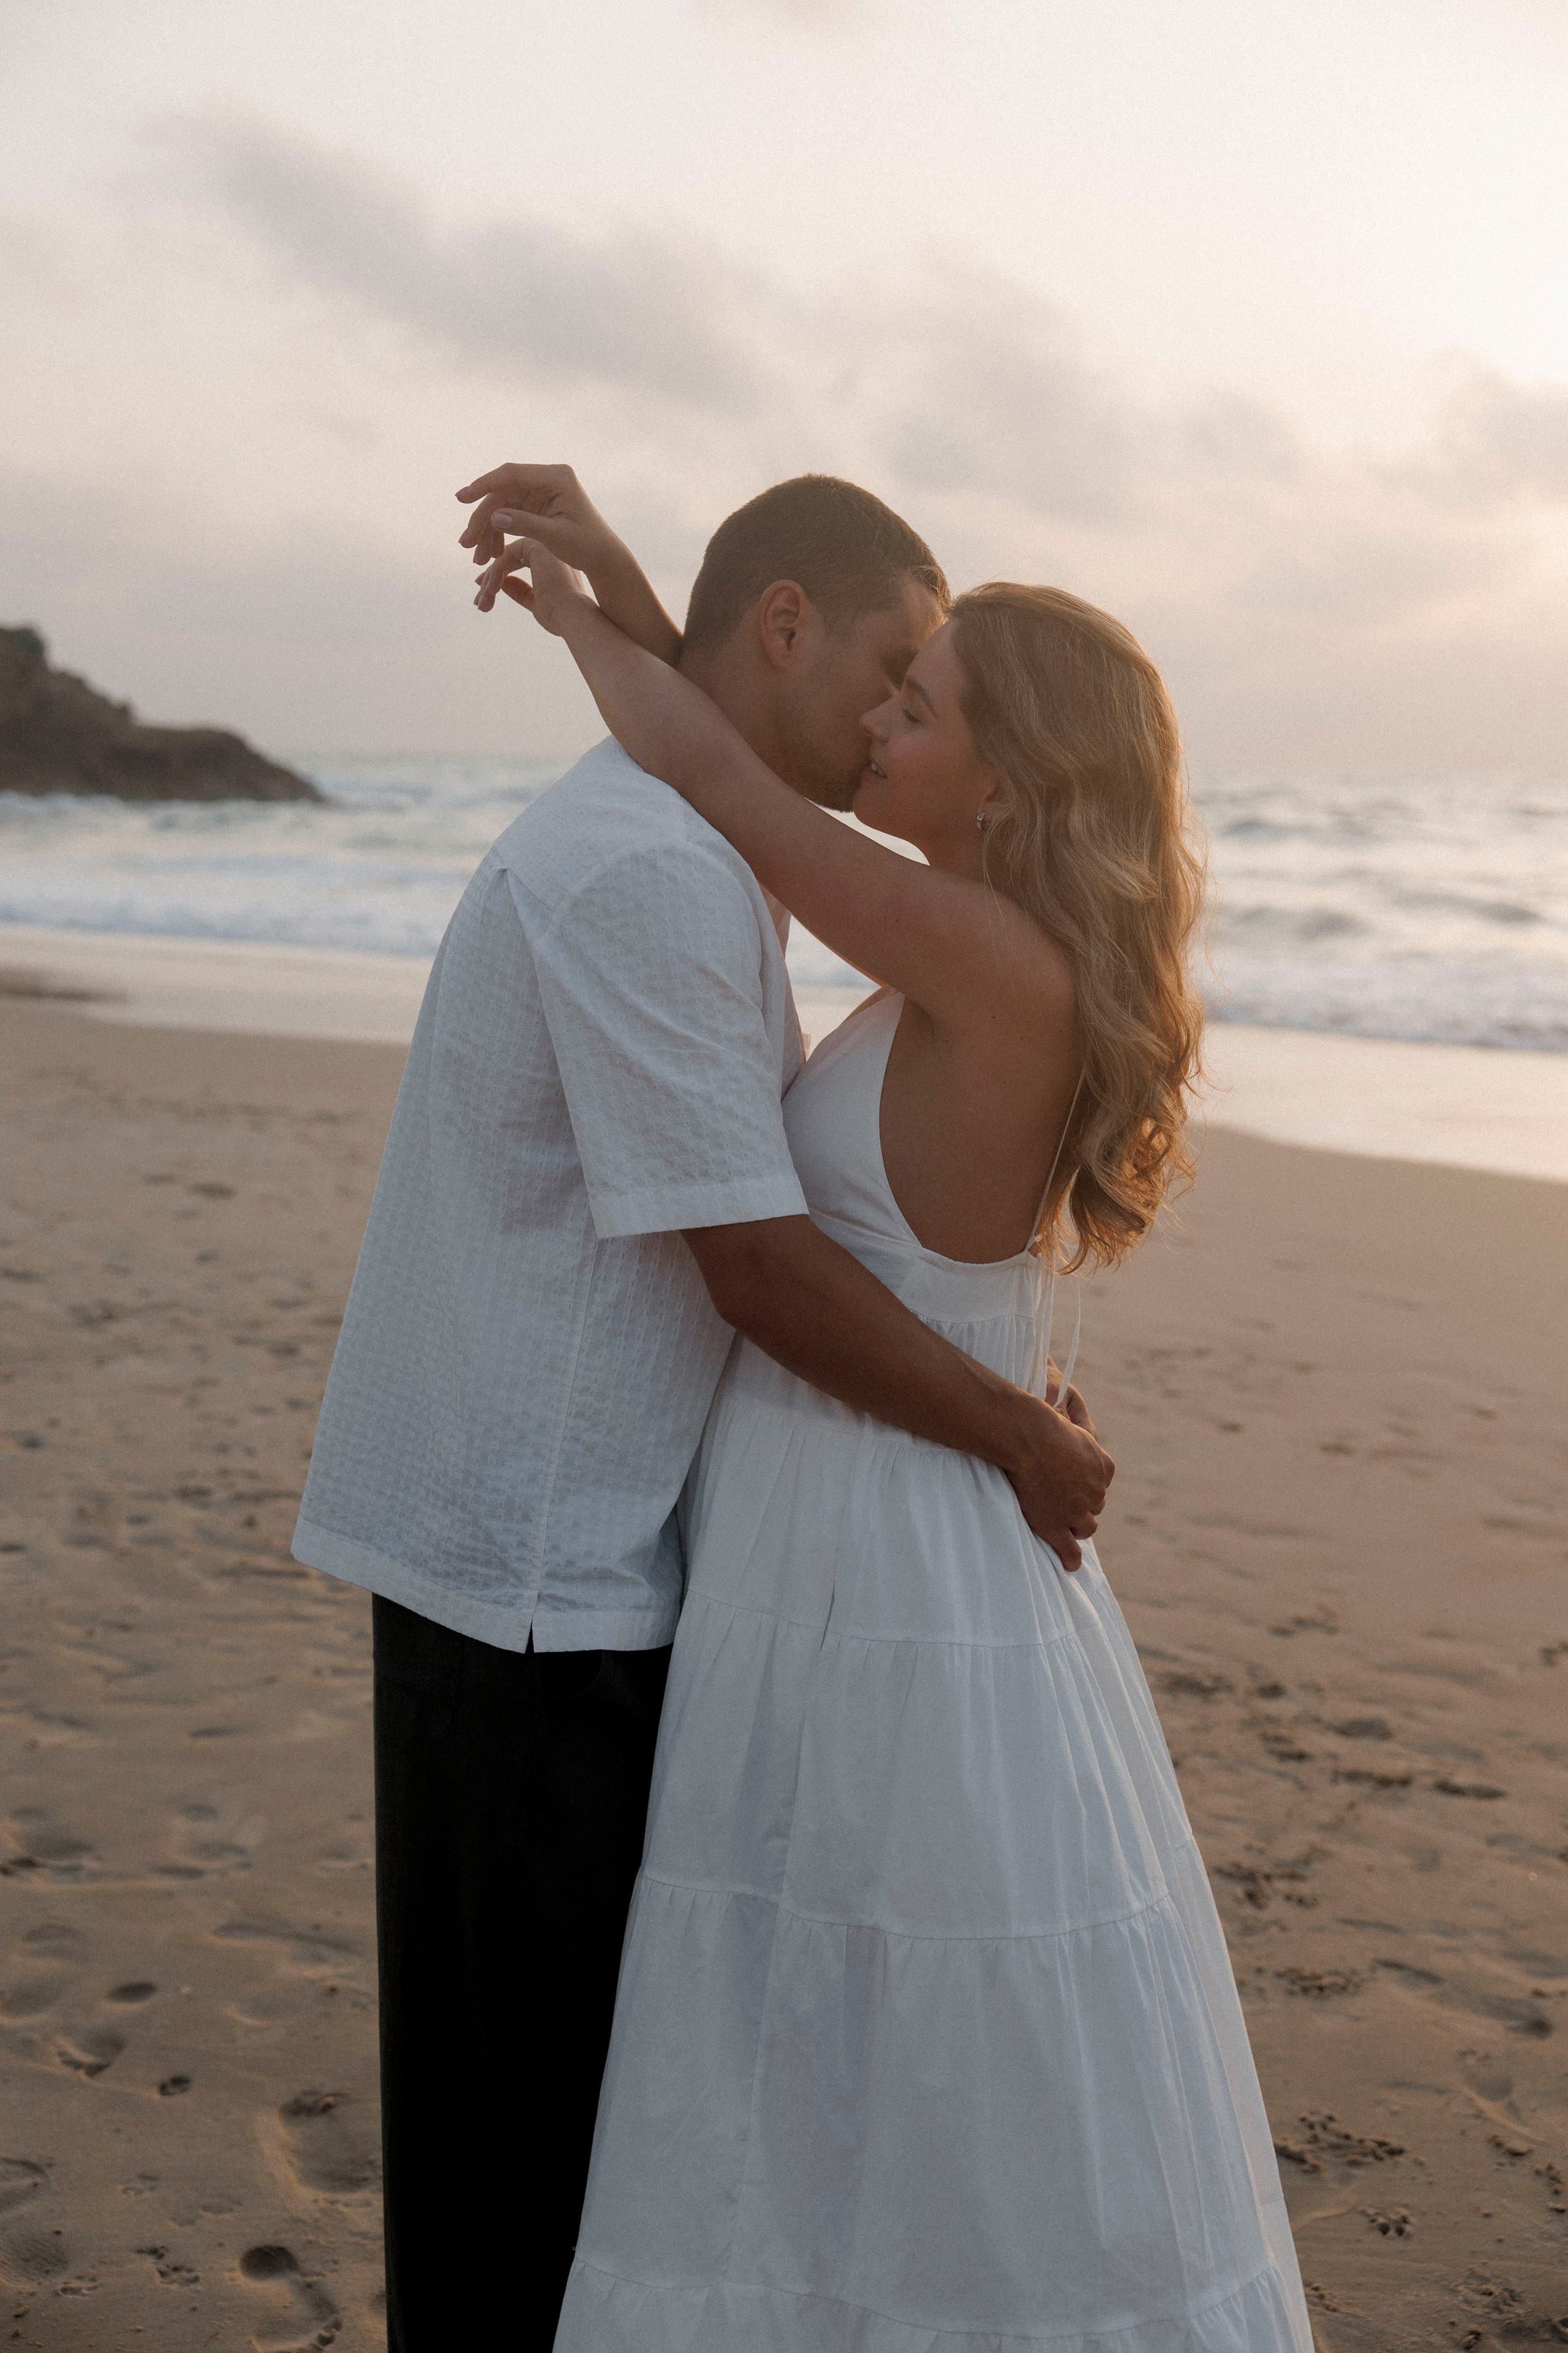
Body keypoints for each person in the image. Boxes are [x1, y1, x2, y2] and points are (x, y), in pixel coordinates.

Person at [292, 469, 1113, 2353]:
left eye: (936, 692)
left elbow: (731, 760)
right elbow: (753, 1262)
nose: (901, 710)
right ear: (787, 629)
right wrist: (1009, 1423)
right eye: (893, 666)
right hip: (533, 1582)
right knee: (522, 2165)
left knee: (563, 2137)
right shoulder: (659, 870)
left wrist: (622, 620)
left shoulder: (685, 839)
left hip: (573, 1562)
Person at [475, 518, 1315, 2351]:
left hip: (879, 1537)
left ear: (1007, 775)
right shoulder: (963, 953)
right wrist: (653, 612)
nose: (873, 735)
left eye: (915, 712)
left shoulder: (972, 945)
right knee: (830, 1999)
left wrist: (588, 606)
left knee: (863, 1992)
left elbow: (707, 763)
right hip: (853, 1512)